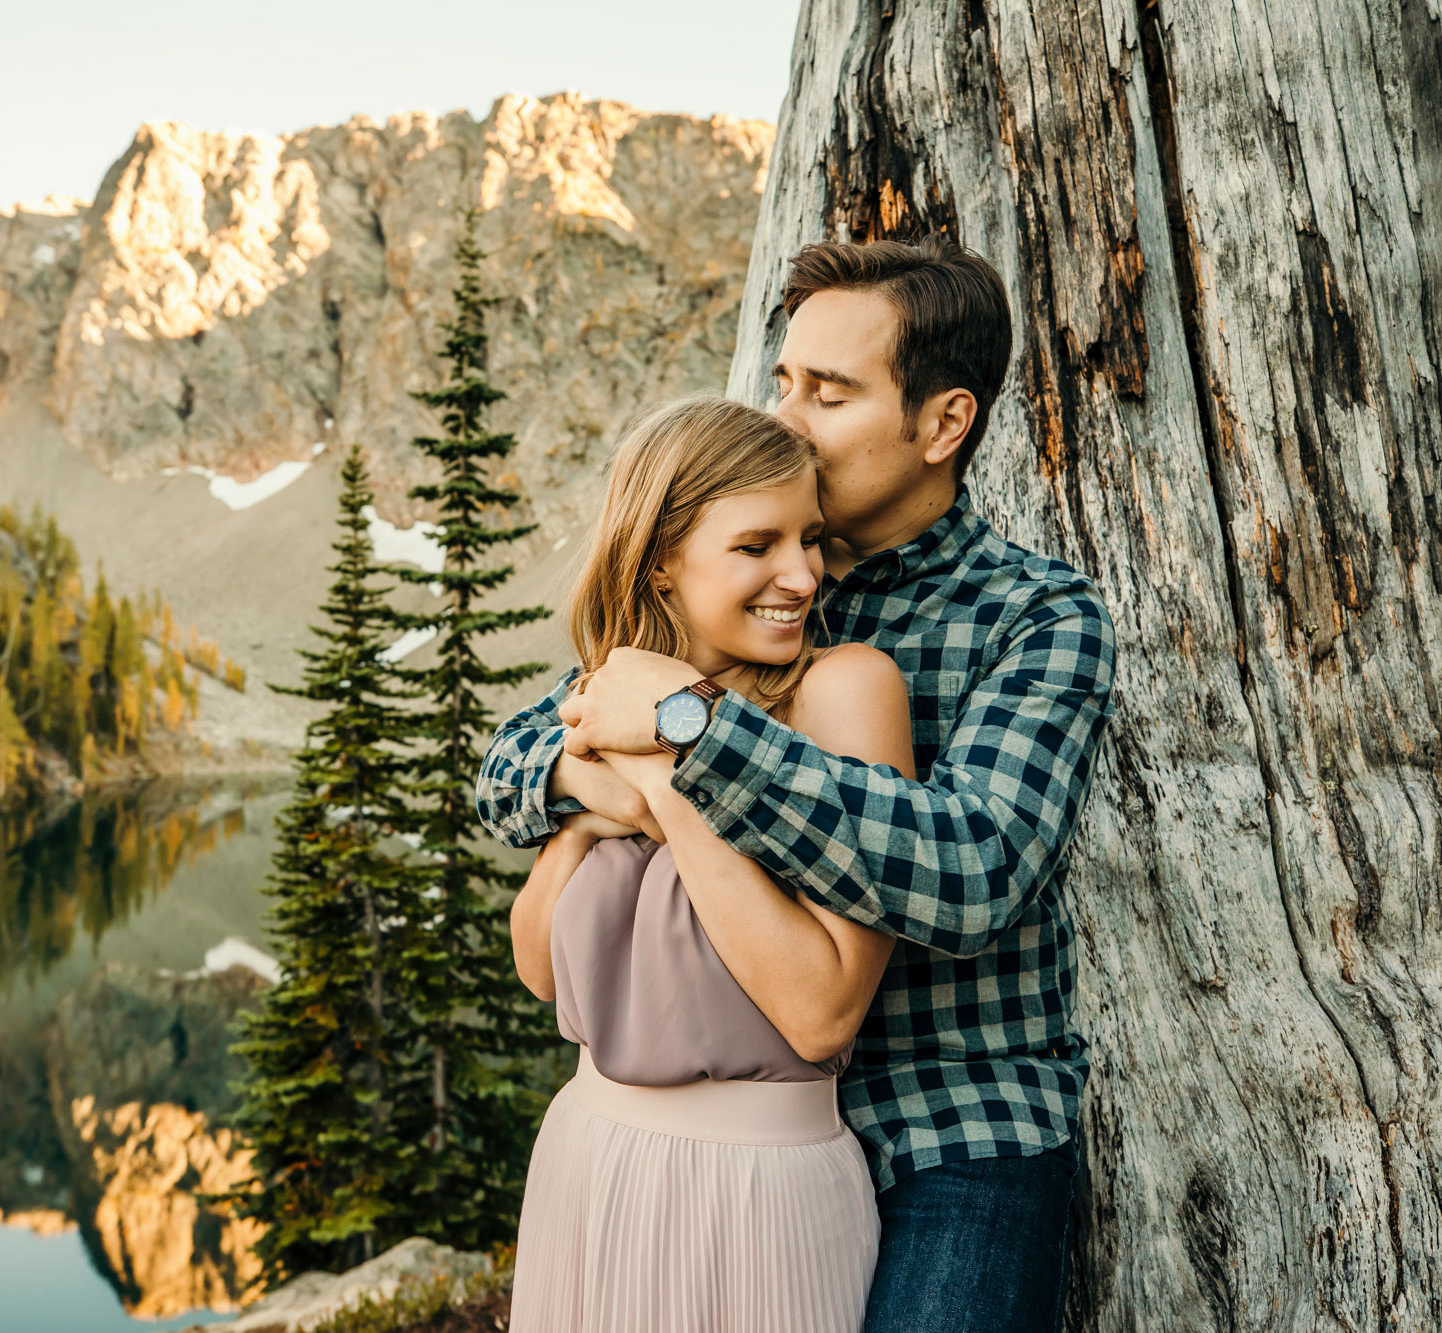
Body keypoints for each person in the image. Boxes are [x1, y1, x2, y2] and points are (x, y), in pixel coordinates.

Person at [478, 236, 1118, 1333]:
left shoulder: (1036, 617)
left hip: (954, 1119)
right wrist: (592, 767)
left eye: (825, 392)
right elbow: (512, 766)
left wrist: (687, 731)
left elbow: (969, 870)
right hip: (723, 1114)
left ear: (941, 424)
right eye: (782, 380)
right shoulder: (756, 572)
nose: (784, 417)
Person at [505, 394, 907, 1332]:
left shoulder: (844, 691)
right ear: (661, 564)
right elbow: (538, 970)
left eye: (811, 539)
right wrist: (582, 806)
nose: (803, 575)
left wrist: (669, 777)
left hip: (761, 1190)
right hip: (588, 1161)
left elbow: (821, 1013)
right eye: (756, 544)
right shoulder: (605, 690)